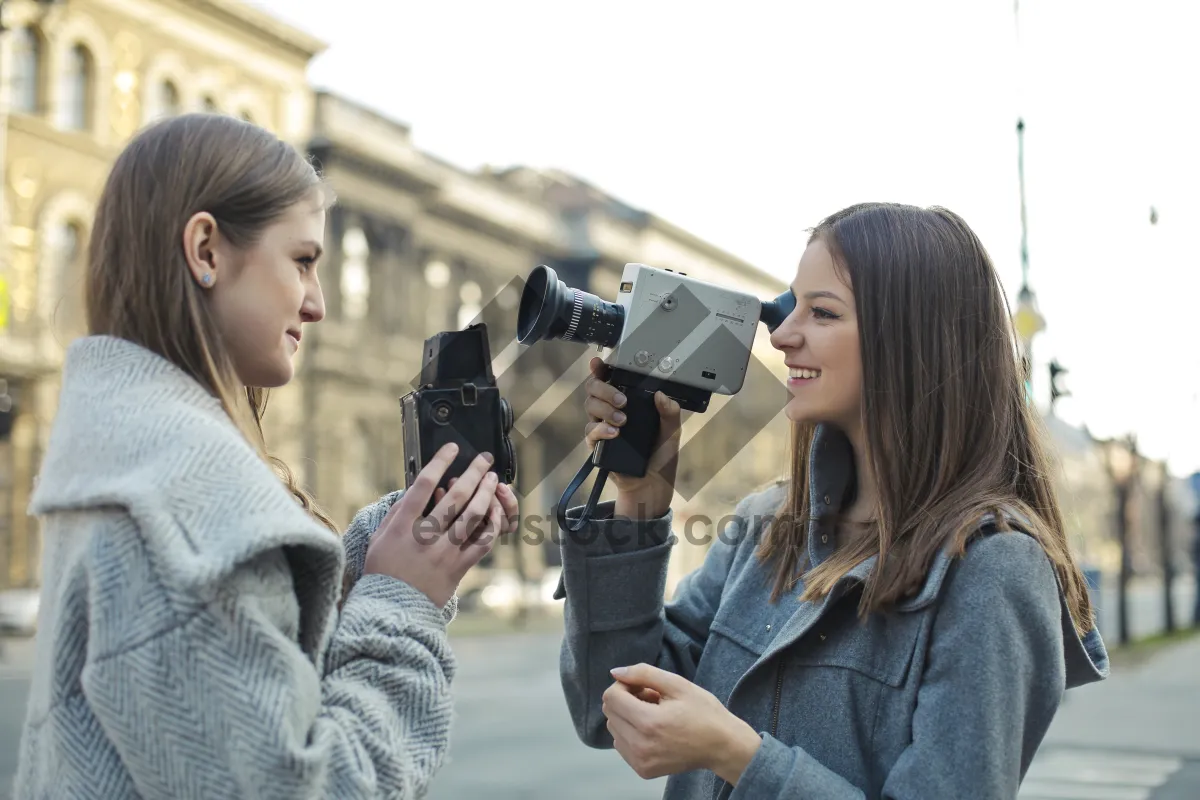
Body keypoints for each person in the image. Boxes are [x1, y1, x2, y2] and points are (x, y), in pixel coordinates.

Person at [14, 113, 518, 799]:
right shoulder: (187, 511)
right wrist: (403, 602)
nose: (317, 304)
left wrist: (386, 551)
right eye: (303, 261)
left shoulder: (132, 466)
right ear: (207, 251)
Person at [556, 202, 1110, 799]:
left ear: (911, 340)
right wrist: (641, 502)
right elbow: (606, 710)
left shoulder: (992, 570)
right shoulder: (765, 527)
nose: (784, 333)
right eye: (792, 306)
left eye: (821, 312)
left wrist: (738, 755)